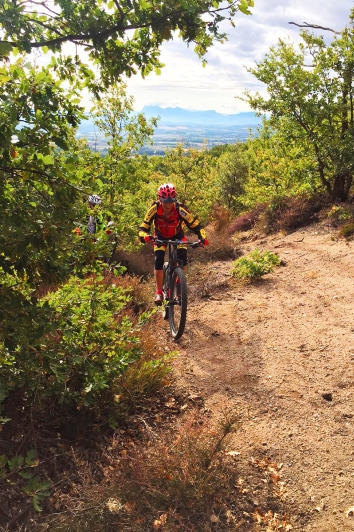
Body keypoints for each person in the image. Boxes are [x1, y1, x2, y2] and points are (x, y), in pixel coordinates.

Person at [138, 183, 208, 304]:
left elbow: (195, 225)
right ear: (160, 199)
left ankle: (179, 282)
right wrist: (146, 237)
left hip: (177, 235)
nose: (168, 205)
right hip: (159, 236)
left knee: (183, 256)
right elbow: (143, 228)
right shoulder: (154, 209)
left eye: (171, 201)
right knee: (158, 259)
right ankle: (159, 292)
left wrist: (202, 238)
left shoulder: (180, 209)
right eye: (165, 201)